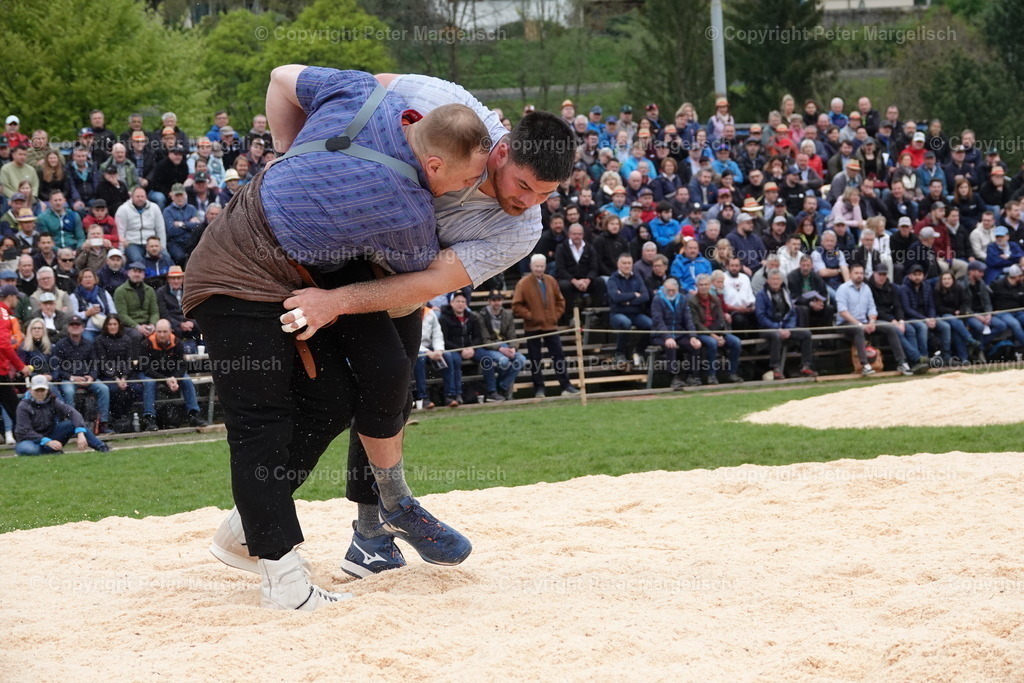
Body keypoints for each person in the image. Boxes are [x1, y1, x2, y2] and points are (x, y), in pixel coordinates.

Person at [188, 67, 576, 604]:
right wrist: (296, 158)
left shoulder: (497, 219)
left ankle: (311, 528)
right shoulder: (415, 182)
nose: (528, 202)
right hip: (269, 264)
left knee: (352, 393)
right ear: (498, 152)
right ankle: (327, 542)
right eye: (523, 186)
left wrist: (334, 296)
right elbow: (292, 84)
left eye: (545, 195)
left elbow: (426, 282)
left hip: (355, 271)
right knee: (275, 415)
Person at [512, 254, 579, 398]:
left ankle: (566, 385)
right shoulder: (523, 283)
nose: (539, 269)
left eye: (541, 266)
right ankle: (539, 388)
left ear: (545, 267)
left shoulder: (551, 280)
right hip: (532, 327)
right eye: (536, 266)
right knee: (535, 359)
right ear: (531, 267)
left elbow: (560, 301)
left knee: (559, 356)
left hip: (551, 326)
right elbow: (516, 306)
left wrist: (555, 315)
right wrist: (531, 316)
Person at [835, 263, 908, 376]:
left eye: (861, 273)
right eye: (856, 273)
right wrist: (860, 324)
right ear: (850, 274)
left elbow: (872, 308)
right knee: (858, 330)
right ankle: (865, 365)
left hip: (865, 322)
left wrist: (872, 322)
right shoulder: (843, 289)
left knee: (889, 327)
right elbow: (843, 311)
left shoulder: (866, 288)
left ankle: (901, 362)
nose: (859, 275)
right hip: (845, 323)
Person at [14, 375, 109, 455]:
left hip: (51, 435)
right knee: (28, 449)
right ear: (30, 390)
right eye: (37, 390)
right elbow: (25, 431)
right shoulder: (23, 406)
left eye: (42, 390)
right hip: (30, 440)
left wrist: (80, 432)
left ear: (47, 389)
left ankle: (102, 447)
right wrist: (47, 441)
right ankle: (51, 451)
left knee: (71, 424)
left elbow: (73, 413)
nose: (40, 393)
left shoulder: (52, 400)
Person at [138, 319, 207, 429]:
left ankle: (194, 414)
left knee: (186, 380)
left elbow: (182, 365)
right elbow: (146, 368)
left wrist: (175, 378)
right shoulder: (146, 344)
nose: (161, 335)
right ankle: (149, 417)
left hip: (171, 374)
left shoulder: (177, 343)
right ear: (155, 331)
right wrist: (165, 379)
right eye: (159, 331)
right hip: (151, 374)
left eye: (164, 331)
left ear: (170, 331)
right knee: (149, 383)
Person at [51, 314, 112, 432]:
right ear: (68, 327)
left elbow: (95, 364)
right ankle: (71, 425)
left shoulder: (89, 344)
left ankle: (103, 424)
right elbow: (56, 368)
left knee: (104, 389)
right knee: (68, 391)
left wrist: (91, 377)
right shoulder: (60, 345)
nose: (75, 327)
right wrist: (72, 378)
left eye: (77, 325)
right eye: (72, 325)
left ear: (83, 327)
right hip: (69, 378)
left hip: (86, 378)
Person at [755, 269, 816, 380]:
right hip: (767, 328)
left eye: (777, 279)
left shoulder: (786, 293)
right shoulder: (761, 295)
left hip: (786, 327)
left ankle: (805, 366)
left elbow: (792, 313)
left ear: (781, 281)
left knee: (806, 334)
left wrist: (788, 328)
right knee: (776, 335)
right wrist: (777, 328)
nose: (775, 281)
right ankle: (776, 368)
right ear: (768, 281)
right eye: (773, 279)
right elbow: (761, 317)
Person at [867, 265, 929, 373]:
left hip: (893, 318)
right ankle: (916, 358)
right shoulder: (868, 288)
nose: (882, 277)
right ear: (874, 274)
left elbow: (898, 306)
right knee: (896, 331)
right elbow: (875, 309)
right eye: (880, 274)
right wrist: (892, 321)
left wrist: (900, 320)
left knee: (910, 330)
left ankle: (914, 363)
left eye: (884, 274)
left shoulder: (892, 287)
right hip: (876, 318)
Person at [688, 273, 743, 384]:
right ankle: (711, 375)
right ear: (697, 286)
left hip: (717, 332)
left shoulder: (715, 299)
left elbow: (721, 319)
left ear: (710, 285)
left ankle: (732, 373)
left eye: (706, 284)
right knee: (712, 343)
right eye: (701, 285)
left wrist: (721, 335)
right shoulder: (692, 301)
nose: (704, 287)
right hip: (702, 333)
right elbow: (697, 323)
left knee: (736, 342)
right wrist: (714, 336)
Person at [651, 277, 701, 388]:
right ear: (664, 289)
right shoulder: (657, 300)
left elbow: (688, 319)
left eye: (673, 290)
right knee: (671, 346)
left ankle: (692, 375)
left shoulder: (682, 299)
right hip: (660, 335)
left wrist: (693, 336)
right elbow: (658, 321)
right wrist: (667, 337)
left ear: (677, 289)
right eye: (668, 290)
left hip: (679, 333)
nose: (671, 292)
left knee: (694, 346)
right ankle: (673, 377)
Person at [475, 290, 526, 402]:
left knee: (521, 359)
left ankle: (502, 386)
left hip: (504, 345)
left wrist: (513, 348)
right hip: (489, 346)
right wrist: (500, 348)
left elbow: (512, 336)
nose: (496, 302)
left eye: (499, 300)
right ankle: (500, 390)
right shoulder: (482, 315)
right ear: (489, 301)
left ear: (502, 301)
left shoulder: (507, 314)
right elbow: (485, 340)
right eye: (494, 300)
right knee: (503, 361)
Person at [900, 264, 952, 364]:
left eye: (919, 274)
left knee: (945, 326)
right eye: (915, 274)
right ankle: (925, 357)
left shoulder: (927, 287)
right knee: (922, 327)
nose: (917, 277)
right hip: (911, 318)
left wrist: (931, 318)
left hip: (927, 317)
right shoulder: (904, 288)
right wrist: (925, 319)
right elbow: (907, 309)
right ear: (909, 276)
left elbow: (932, 305)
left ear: (923, 276)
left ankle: (946, 356)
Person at [554, 223, 606, 324]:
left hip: (586, 280)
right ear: (569, 234)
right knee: (563, 286)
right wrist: (574, 281)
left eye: (579, 234)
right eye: (574, 234)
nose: (577, 236)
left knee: (600, 282)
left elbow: (594, 268)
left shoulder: (589, 248)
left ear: (583, 235)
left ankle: (595, 315)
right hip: (569, 280)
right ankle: (570, 317)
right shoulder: (561, 248)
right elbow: (560, 269)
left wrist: (587, 280)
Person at [607, 253, 651, 365]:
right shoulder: (613, 279)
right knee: (625, 323)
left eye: (629, 263)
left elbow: (645, 296)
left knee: (650, 324)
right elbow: (616, 297)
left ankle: (639, 350)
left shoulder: (637, 277)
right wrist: (634, 294)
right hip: (617, 313)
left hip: (636, 314)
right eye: (624, 263)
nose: (627, 266)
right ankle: (619, 353)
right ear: (618, 265)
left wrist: (627, 301)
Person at [934, 270, 983, 363]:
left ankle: (976, 350)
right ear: (941, 280)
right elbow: (939, 307)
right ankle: (969, 343)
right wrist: (953, 312)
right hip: (946, 315)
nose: (946, 281)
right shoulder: (937, 291)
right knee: (956, 327)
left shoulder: (959, 288)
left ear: (953, 279)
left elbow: (965, 302)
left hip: (961, 314)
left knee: (978, 326)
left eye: (949, 279)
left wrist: (960, 311)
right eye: (944, 279)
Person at [116, 186, 167, 265]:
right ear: (132, 197)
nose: (140, 199)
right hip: (132, 243)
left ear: (146, 197)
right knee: (138, 261)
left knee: (166, 257)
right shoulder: (123, 209)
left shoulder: (154, 208)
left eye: (142, 196)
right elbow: (120, 231)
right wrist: (121, 252)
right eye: (137, 196)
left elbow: (161, 229)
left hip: (152, 242)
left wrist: (162, 247)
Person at [412, 306, 449, 409]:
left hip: (430, 348)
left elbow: (437, 333)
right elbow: (410, 339)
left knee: (448, 356)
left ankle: (450, 395)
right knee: (420, 358)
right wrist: (427, 352)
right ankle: (423, 397)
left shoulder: (430, 313)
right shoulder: (408, 312)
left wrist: (438, 350)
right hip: (414, 349)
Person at [155, 266, 199, 351]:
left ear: (183, 279)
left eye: (178, 278)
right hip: (173, 322)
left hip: (188, 320)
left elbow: (194, 309)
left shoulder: (189, 290)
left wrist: (192, 322)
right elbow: (164, 313)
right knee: (171, 328)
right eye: (173, 278)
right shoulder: (161, 292)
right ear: (168, 279)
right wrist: (180, 324)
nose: (176, 281)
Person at [70, 269, 117, 341]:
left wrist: (110, 323)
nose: (88, 279)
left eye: (90, 277)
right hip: (86, 329)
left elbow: (113, 311)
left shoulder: (104, 293)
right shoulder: (74, 296)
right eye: (85, 277)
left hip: (104, 327)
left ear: (95, 280)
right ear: (80, 281)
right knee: (88, 341)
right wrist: (86, 314)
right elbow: (72, 316)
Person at [113, 262, 158, 338]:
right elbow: (122, 315)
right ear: (128, 273)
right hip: (129, 326)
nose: (137, 274)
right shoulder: (120, 291)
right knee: (137, 336)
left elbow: (155, 312)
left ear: (143, 275)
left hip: (148, 324)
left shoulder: (150, 290)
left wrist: (152, 324)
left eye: (140, 272)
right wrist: (137, 327)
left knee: (162, 332)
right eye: (134, 271)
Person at [162, 183, 201, 265]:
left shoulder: (192, 208)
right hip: (175, 242)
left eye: (181, 195)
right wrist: (189, 224)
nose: (179, 198)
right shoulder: (167, 211)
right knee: (180, 258)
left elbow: (197, 227)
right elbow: (171, 231)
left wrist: (182, 224)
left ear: (185, 195)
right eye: (177, 195)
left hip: (191, 241)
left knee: (198, 256)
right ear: (172, 196)